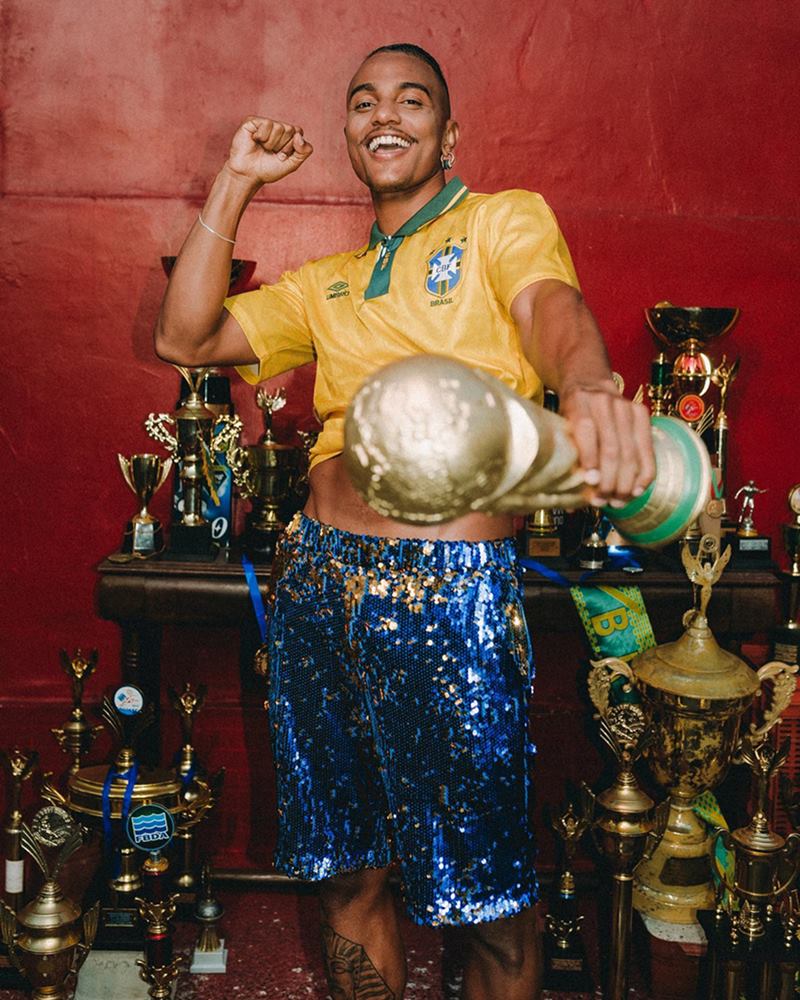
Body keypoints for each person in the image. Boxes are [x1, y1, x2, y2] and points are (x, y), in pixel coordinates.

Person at [154, 42, 655, 1000]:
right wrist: (237, 178)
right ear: (347, 130)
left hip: (451, 592)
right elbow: (185, 336)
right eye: (364, 101)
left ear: (449, 131)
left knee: (491, 904)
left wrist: (587, 383)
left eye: (412, 99)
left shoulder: (503, 224)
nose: (385, 114)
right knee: (349, 869)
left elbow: (551, 306)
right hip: (317, 585)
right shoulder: (328, 284)